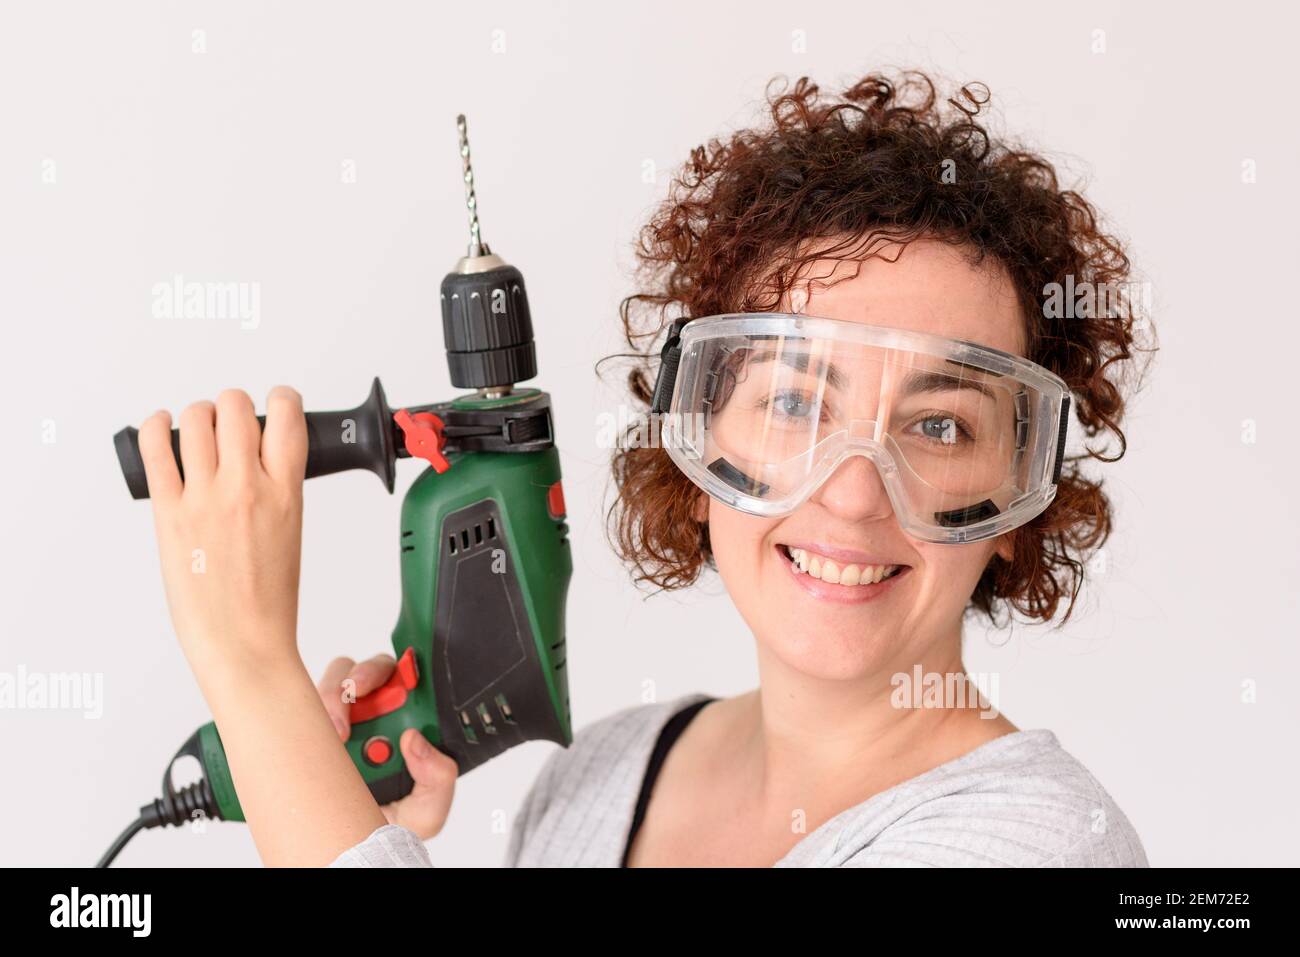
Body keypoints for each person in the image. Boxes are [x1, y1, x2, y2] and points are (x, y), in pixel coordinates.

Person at [138, 69, 1153, 867]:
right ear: (697, 431)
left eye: (937, 429)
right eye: (794, 403)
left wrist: (252, 672)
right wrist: (307, 781)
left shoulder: (1046, 847)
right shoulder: (598, 778)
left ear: (1019, 495)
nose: (849, 489)